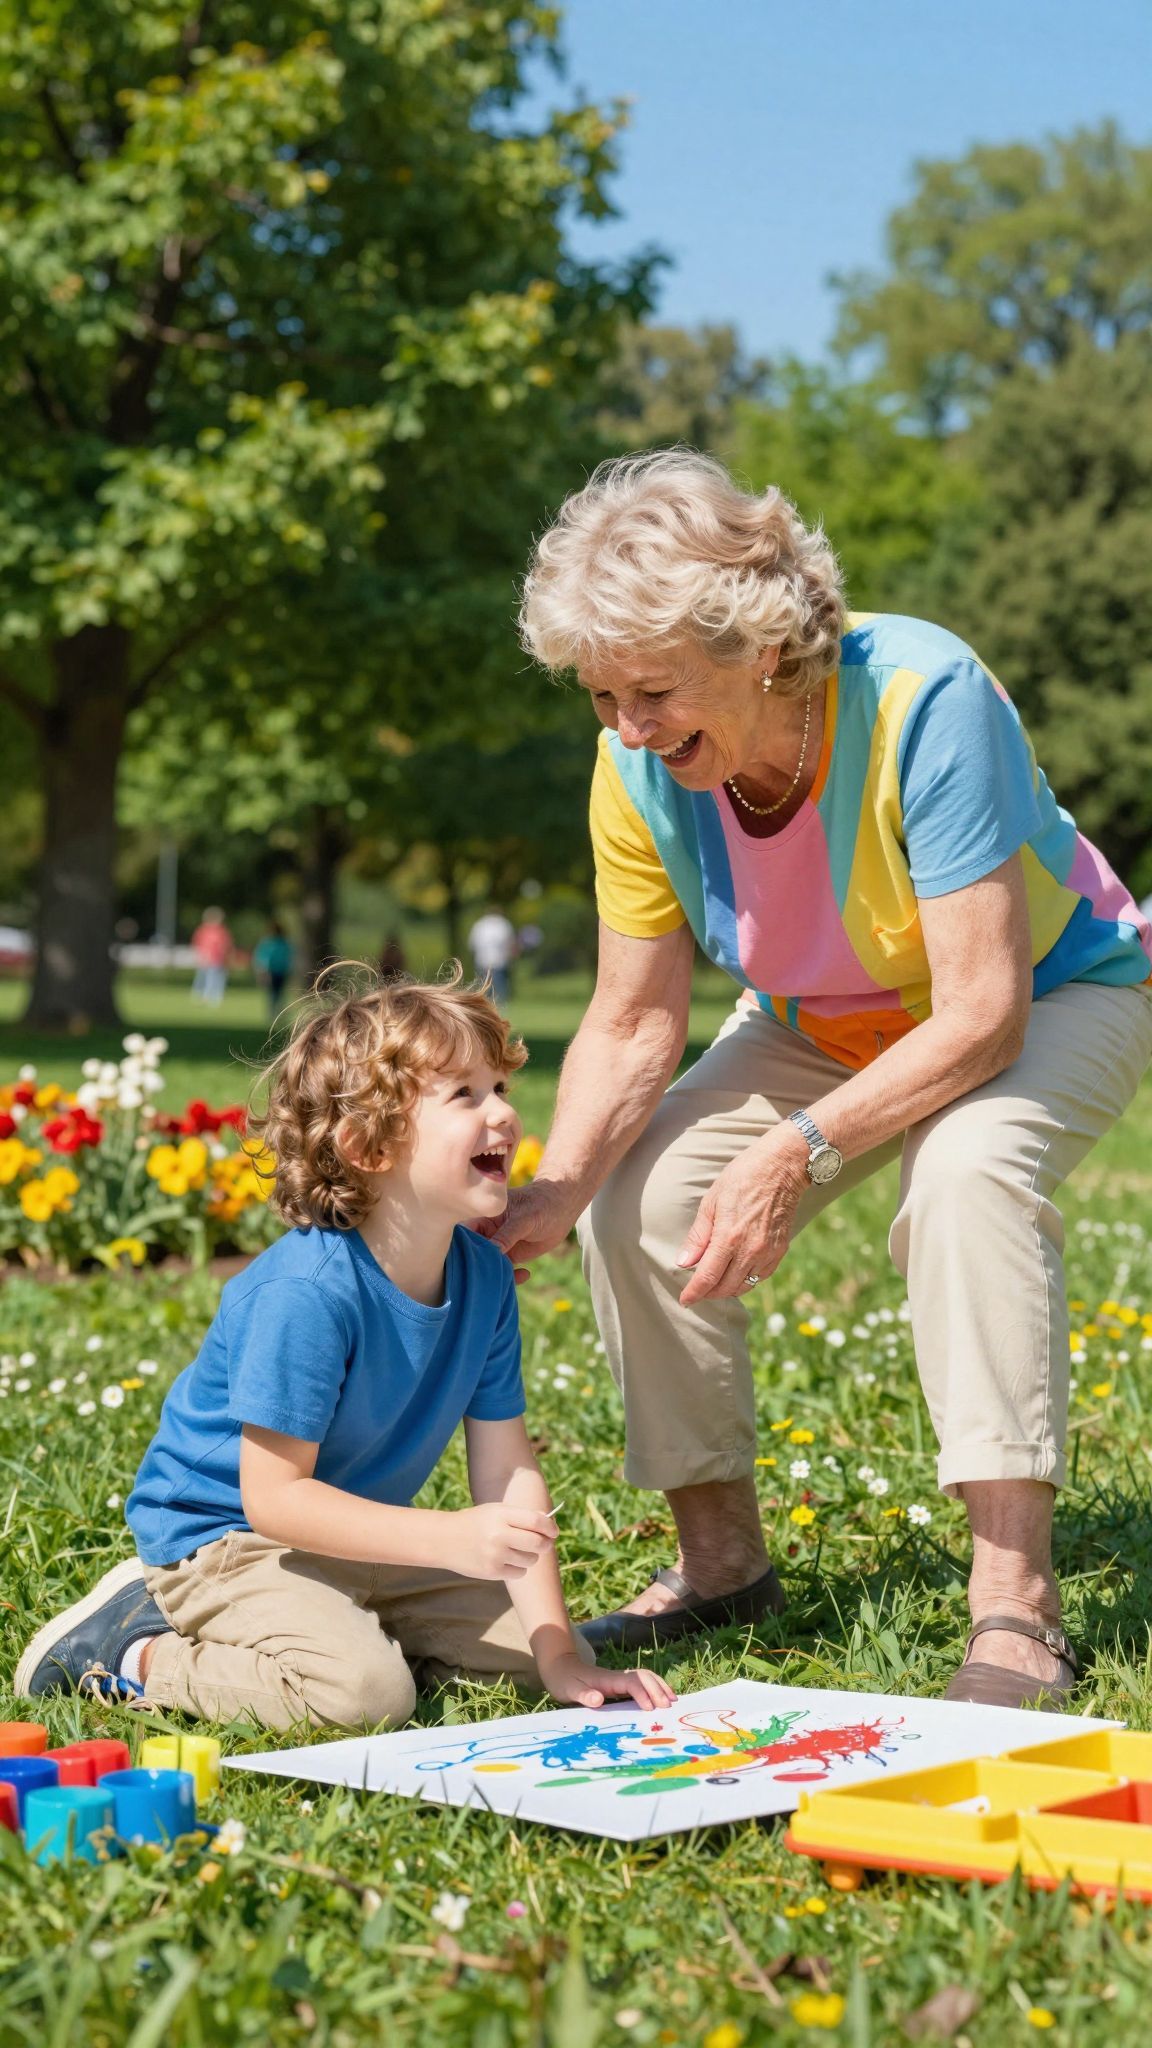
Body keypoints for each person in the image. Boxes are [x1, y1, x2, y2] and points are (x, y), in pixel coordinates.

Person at [493, 447, 1152, 1709]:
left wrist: (797, 1148)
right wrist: (559, 1184)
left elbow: (980, 1013)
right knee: (640, 1202)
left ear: (764, 648)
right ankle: (722, 1563)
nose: (627, 728)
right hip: (822, 1015)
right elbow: (633, 1020)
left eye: (652, 691)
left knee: (963, 1172)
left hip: (1054, 987)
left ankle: (1015, 1600)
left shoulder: (923, 694)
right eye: (601, 696)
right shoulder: (637, 766)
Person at [14, 974, 672, 1730]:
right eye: (464, 1095)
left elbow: (506, 1467)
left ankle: (349, 1626)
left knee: (538, 1655)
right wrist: (450, 1538)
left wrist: (561, 1659)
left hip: (354, 1533)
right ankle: (127, 1650)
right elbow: (275, 1499)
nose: (504, 1113)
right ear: (366, 1146)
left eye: (498, 1085)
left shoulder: (485, 1276)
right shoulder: (307, 1293)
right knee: (363, 1697)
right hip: (224, 1541)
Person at [468, 907, 517, 1006]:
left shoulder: (480, 925)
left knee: (485, 985)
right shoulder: (503, 924)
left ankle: (487, 1004)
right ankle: (499, 1004)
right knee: (498, 985)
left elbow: (472, 944)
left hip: (484, 960)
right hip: (498, 960)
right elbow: (510, 943)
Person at [190, 907, 232, 1005]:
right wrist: (201, 955)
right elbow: (197, 943)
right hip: (206, 958)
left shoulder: (221, 931)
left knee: (215, 977)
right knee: (203, 977)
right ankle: (201, 994)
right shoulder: (203, 930)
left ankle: (213, 996)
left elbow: (226, 944)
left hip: (217, 959)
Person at [253, 918, 294, 1017]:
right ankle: (274, 1012)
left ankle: (277, 1012)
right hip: (272, 971)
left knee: (277, 993)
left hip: (279, 971)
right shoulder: (270, 942)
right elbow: (262, 957)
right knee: (274, 993)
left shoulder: (281, 943)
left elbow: (289, 957)